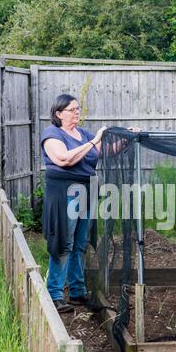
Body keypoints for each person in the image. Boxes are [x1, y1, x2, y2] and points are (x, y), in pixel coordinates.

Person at [41, 94, 107, 313]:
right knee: (63, 243)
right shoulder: (52, 134)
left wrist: (126, 137)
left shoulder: (83, 134)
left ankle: (77, 292)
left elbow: (105, 151)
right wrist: (92, 141)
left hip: (86, 191)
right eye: (72, 109)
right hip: (64, 193)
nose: (77, 112)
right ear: (58, 114)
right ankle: (55, 294)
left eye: (78, 108)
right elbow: (64, 159)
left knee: (80, 243)